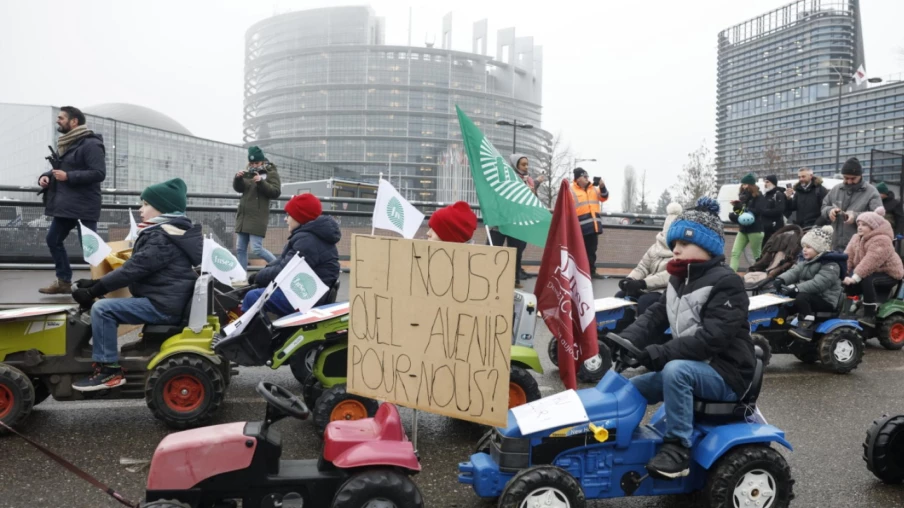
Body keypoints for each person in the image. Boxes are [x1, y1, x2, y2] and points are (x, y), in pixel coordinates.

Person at [618, 204, 755, 479]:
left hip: (727, 373)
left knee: (675, 370)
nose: (675, 249)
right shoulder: (678, 278)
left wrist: (660, 353)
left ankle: (677, 450)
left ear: (707, 246)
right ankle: (616, 443)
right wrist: (624, 340)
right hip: (694, 366)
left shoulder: (727, 283)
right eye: (674, 243)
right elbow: (656, 315)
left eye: (683, 242)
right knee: (631, 388)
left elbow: (711, 339)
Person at [70, 178, 201, 391]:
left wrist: (95, 289)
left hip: (163, 306)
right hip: (165, 300)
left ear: (163, 208)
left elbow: (133, 270)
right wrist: (96, 283)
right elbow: (136, 266)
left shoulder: (162, 238)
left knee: (103, 309)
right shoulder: (168, 233)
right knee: (104, 305)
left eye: (146, 204)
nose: (141, 209)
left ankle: (108, 371)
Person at [38, 106, 107, 295]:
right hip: (66, 206)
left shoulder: (91, 144)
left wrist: (68, 176)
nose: (57, 120)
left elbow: (99, 173)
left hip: (84, 206)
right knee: (53, 240)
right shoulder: (66, 143)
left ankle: (101, 286)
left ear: (74, 121)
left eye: (61, 118)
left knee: (91, 249)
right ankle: (63, 281)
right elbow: (59, 168)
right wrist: (45, 177)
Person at [242, 193, 340, 317]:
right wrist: (260, 276)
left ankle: (254, 336)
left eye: (289, 215)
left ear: (300, 217)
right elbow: (282, 261)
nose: (285, 219)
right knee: (255, 291)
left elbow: (284, 271)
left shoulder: (308, 240)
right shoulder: (309, 236)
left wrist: (258, 277)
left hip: (304, 298)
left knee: (252, 297)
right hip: (305, 293)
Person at [773, 226, 845, 340]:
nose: (804, 250)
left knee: (801, 297)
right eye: (804, 247)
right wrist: (781, 279)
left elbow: (818, 284)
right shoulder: (806, 262)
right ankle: (778, 324)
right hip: (810, 297)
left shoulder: (831, 265)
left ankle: (806, 326)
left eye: (809, 247)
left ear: (819, 249)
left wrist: (797, 288)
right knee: (786, 302)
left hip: (825, 301)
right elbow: (794, 272)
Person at [487, 154, 545, 288]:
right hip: (501, 219)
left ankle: (514, 280)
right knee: (493, 249)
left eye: (527, 164)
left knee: (516, 252)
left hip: (518, 221)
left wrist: (532, 192)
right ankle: (489, 278)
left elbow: (533, 201)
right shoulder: (506, 177)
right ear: (515, 165)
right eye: (523, 164)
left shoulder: (529, 180)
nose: (526, 167)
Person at [616, 202, 683, 315]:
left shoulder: (681, 251)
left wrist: (643, 283)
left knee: (645, 301)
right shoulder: (655, 247)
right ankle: (621, 327)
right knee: (620, 296)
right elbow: (642, 267)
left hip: (666, 291)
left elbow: (669, 275)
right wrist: (630, 280)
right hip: (646, 287)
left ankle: (645, 331)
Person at [843, 208, 904, 327]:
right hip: (869, 271)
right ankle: (848, 309)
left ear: (873, 227)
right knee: (848, 285)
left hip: (889, 273)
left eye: (864, 225)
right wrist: (843, 273)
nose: (860, 227)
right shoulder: (856, 238)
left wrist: (854, 278)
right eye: (859, 224)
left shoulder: (882, 240)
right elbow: (848, 256)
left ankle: (869, 315)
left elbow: (870, 262)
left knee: (867, 279)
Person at [233, 146, 282, 273]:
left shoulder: (270, 172)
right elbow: (240, 189)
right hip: (244, 216)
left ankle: (279, 268)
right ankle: (241, 277)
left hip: (257, 216)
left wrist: (261, 182)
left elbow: (275, 192)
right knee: (240, 249)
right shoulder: (248, 173)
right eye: (252, 163)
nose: (254, 165)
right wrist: (238, 179)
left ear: (262, 161)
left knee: (257, 249)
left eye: (257, 163)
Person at [821, 157, 882, 252]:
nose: (849, 181)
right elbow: (824, 206)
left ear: (860, 176)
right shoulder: (836, 189)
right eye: (846, 178)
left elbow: (878, 217)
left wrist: (856, 216)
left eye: (853, 178)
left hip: (860, 247)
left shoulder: (871, 192)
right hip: (835, 244)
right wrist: (830, 211)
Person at [571, 168, 609, 279]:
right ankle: (578, 272)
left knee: (592, 250)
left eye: (587, 176)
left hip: (593, 226)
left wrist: (602, 186)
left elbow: (604, 197)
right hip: (579, 227)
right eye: (584, 177)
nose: (587, 179)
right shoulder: (571, 190)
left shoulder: (593, 189)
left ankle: (591, 271)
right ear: (577, 178)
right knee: (579, 251)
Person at [728, 173, 766, 271]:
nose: (743, 186)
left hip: (755, 229)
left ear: (751, 185)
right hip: (743, 229)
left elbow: (758, 211)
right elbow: (740, 213)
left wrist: (744, 209)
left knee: (756, 255)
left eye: (746, 184)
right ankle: (731, 275)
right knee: (735, 252)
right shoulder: (742, 197)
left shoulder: (759, 197)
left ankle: (760, 274)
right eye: (743, 184)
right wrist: (736, 206)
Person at [761, 174, 786, 245]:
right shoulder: (765, 195)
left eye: (767, 182)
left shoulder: (778, 194)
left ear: (773, 183)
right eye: (765, 182)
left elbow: (779, 210)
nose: (765, 184)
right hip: (764, 229)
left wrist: (763, 212)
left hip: (774, 228)